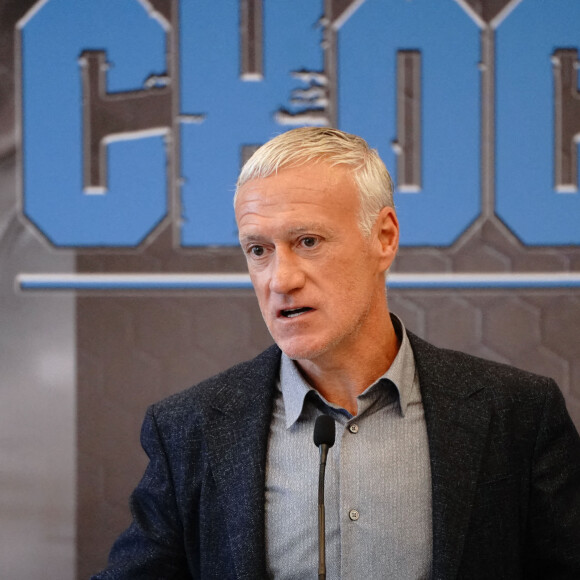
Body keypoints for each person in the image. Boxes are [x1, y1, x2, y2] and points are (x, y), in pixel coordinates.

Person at [93, 128, 580, 579]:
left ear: (384, 237)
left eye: (308, 241)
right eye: (258, 250)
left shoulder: (518, 413)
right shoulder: (189, 428)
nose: (280, 279)